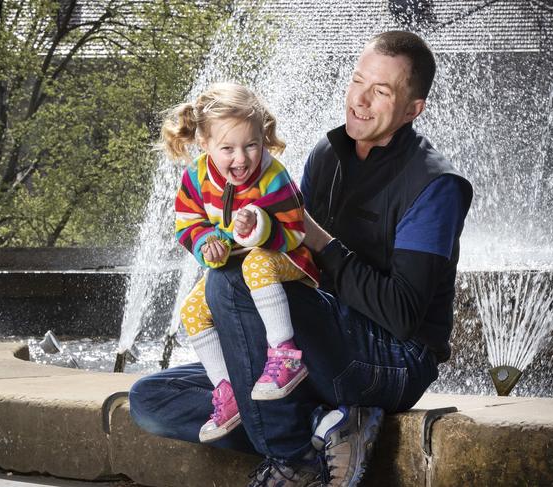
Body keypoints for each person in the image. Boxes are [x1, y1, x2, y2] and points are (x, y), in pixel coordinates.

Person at [129, 31, 473, 487]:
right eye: (357, 82)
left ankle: (293, 461)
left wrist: (316, 237)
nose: (361, 100)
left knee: (231, 283)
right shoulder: (327, 154)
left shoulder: (436, 185)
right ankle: (330, 427)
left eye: (382, 91)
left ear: (413, 109)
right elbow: (285, 254)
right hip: (309, 344)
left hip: (392, 360)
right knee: (152, 397)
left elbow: (403, 314)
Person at [160, 83, 320, 444]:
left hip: (287, 258)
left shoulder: (272, 176)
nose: (242, 158)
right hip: (237, 264)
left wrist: (259, 225)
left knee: (256, 265)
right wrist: (207, 244)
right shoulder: (197, 177)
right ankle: (226, 390)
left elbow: (295, 231)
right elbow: (187, 223)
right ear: (205, 145)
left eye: (251, 145)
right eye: (227, 148)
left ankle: (285, 355)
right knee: (192, 311)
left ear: (262, 138)